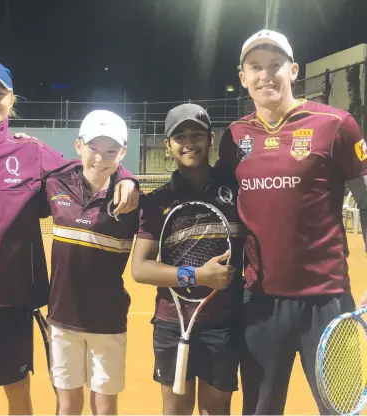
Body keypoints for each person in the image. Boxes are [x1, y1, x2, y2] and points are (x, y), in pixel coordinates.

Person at [0, 63, 139, 415]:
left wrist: (127, 177)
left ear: (11, 100)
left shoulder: (32, 154)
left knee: (17, 389)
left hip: (12, 298)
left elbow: (87, 168)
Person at [215, 29, 367, 414]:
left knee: (340, 408)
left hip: (327, 300)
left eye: (275, 65)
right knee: (260, 409)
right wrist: (127, 182)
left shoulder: (336, 125)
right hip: (261, 303)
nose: (266, 75)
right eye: (256, 68)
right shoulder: (234, 138)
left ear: (293, 70)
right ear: (243, 77)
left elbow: (366, 201)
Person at [131, 103, 244, 415]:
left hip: (223, 322)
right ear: (168, 145)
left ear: (210, 139)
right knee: (176, 408)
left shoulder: (235, 189)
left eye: (197, 134)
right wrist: (197, 276)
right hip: (172, 322)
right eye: (179, 136)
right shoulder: (157, 202)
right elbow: (140, 268)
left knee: (216, 407)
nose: (189, 142)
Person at [41, 110, 139, 415]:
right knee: (67, 404)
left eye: (111, 150)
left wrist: (128, 179)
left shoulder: (132, 202)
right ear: (79, 145)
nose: (101, 158)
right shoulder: (56, 184)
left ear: (123, 152)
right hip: (62, 317)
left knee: (105, 406)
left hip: (107, 321)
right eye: (94, 148)